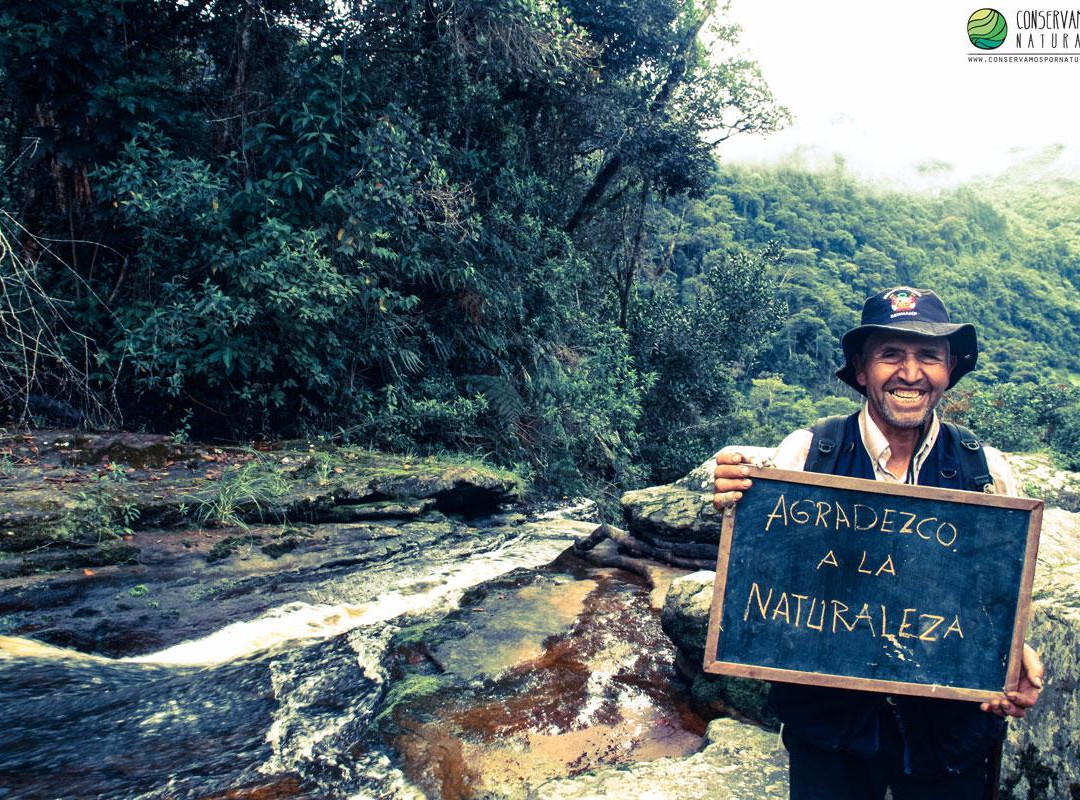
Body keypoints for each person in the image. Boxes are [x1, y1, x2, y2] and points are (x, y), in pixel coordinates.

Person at [712, 286, 1045, 800]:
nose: (910, 373)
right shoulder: (806, 455)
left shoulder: (987, 472)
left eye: (928, 356)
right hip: (831, 736)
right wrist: (738, 498)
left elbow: (995, 598)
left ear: (949, 371)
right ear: (862, 370)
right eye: (891, 354)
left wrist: (1009, 655)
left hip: (948, 741)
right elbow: (770, 574)